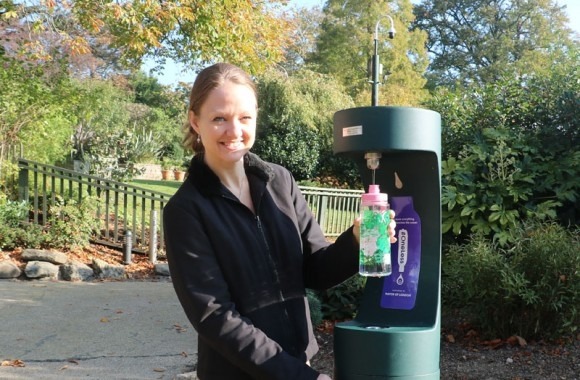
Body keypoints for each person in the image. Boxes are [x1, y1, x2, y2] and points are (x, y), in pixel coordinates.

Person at [163, 62, 396, 380]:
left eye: (245, 117)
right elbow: (215, 316)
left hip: (298, 362)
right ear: (195, 121)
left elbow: (316, 270)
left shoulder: (280, 182)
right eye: (219, 118)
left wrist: (355, 240)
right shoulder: (186, 210)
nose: (234, 131)